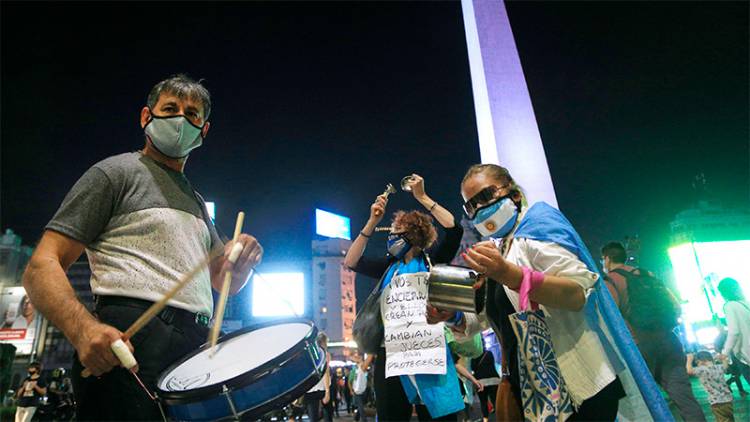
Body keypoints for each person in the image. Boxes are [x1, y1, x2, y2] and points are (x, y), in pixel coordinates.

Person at [21, 74, 263, 421]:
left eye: (192, 114)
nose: (180, 119)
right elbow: (41, 265)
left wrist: (241, 264)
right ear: (146, 117)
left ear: (204, 132)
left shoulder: (196, 202)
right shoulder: (114, 173)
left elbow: (222, 282)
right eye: (170, 109)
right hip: (131, 337)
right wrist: (84, 329)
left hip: (197, 340)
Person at [441, 164, 655, 421]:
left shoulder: (537, 228)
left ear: (514, 194)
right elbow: (496, 317)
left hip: (578, 386)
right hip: (541, 390)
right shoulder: (504, 248)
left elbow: (577, 293)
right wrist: (450, 315)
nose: (478, 209)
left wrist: (512, 276)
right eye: (470, 205)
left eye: (485, 196)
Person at [345, 174, 465, 421]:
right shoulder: (389, 267)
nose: (391, 236)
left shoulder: (434, 261)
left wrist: (422, 197)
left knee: (437, 416)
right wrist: (371, 222)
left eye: (397, 231)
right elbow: (351, 261)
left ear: (413, 236)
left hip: (427, 350)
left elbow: (454, 229)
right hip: (389, 355)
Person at [601, 241, 706, 421]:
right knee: (685, 398)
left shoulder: (611, 280)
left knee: (644, 402)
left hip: (639, 347)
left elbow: (610, 319)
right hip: (669, 342)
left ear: (607, 259)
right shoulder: (647, 274)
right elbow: (675, 305)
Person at [717, 277, 750, 388]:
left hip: (745, 354)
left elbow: (734, 331)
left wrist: (725, 352)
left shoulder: (729, 306)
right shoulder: (746, 304)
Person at [686, 351, 735, 422]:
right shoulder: (719, 367)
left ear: (700, 361)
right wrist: (723, 359)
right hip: (728, 400)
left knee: (722, 420)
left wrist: (689, 359)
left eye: (697, 363)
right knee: (730, 418)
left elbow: (689, 371)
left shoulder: (702, 370)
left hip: (717, 402)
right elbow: (725, 366)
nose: (697, 364)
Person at [304, 332, 331, 422]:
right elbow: (326, 373)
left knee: (313, 418)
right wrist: (327, 392)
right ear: (324, 342)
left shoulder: (309, 353)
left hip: (310, 389)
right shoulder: (324, 354)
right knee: (327, 417)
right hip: (322, 389)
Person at [471, 350, 500, 422]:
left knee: (483, 402)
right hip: (493, 379)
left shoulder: (474, 356)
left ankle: (485, 419)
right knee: (495, 400)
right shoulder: (489, 353)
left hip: (481, 381)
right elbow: (492, 363)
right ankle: (500, 417)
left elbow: (473, 368)